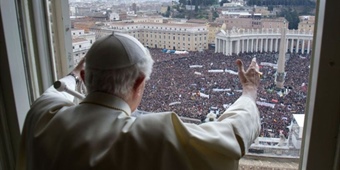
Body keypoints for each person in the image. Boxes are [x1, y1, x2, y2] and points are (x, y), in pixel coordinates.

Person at [17, 32, 261, 170]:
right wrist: (249, 92)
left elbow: (54, 91)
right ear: (139, 83)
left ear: (84, 77)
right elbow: (232, 137)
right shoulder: (154, 134)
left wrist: (72, 76)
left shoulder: (43, 114)